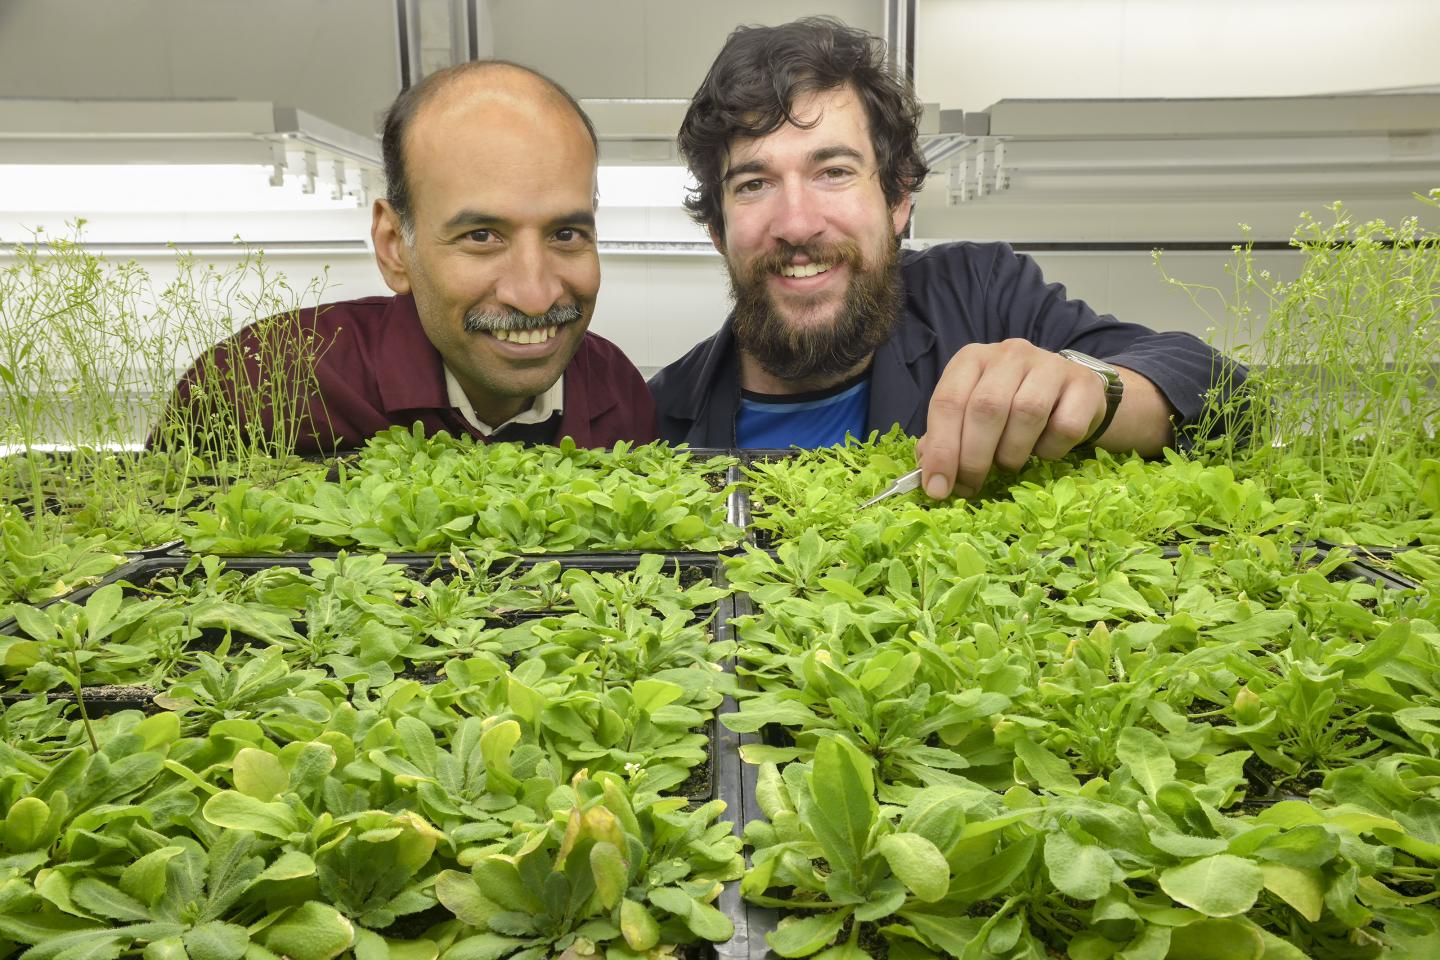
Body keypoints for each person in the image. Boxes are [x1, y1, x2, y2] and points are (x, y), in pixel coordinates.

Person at [648, 17, 1243, 499]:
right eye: (754, 183)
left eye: (833, 172)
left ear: (898, 199)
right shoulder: (660, 418)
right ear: (718, 230)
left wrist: (1095, 390)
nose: (797, 223)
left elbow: (1224, 393)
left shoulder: (979, 296)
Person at [164, 60, 656, 455]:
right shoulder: (262, 384)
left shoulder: (617, 395)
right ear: (394, 246)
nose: (535, 296)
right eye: (482, 235)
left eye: (565, 233)